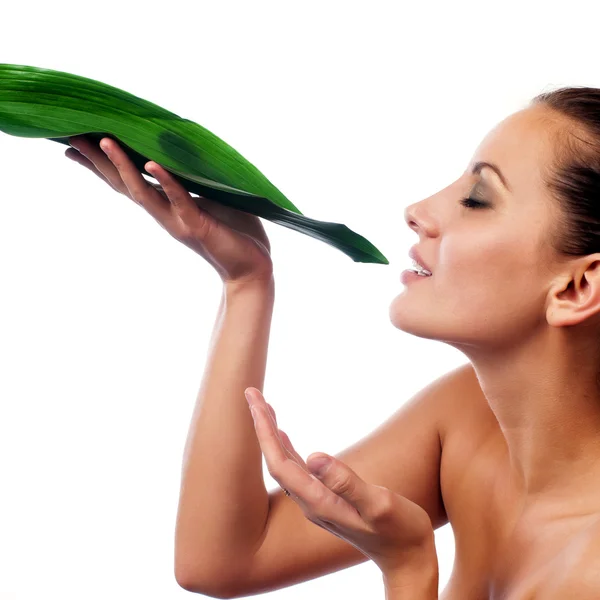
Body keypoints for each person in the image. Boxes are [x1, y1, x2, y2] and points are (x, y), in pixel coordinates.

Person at [65, 86, 600, 599]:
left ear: (578, 287)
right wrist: (246, 280)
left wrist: (408, 567)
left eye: (478, 198)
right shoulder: (468, 420)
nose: (419, 209)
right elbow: (220, 559)